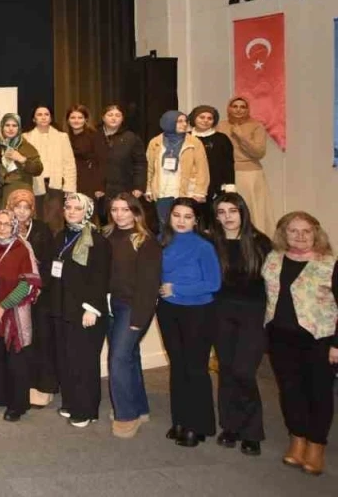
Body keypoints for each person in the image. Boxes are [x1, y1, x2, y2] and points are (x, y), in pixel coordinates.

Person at [263, 211, 337, 476]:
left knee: (319, 393)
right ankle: (297, 439)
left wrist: (337, 344)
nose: (300, 236)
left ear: (316, 233)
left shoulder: (330, 264)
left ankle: (316, 445)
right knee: (290, 391)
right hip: (281, 338)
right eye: (293, 230)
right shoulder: (273, 259)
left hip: (319, 340)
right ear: (284, 234)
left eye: (306, 231)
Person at [209, 193, 272, 455]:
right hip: (221, 313)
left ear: (242, 212)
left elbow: (273, 283)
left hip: (253, 314)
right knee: (226, 369)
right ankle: (230, 426)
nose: (227, 217)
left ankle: (252, 431)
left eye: (232, 211)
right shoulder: (212, 243)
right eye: (221, 212)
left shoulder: (261, 242)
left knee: (244, 371)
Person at [157, 198, 221, 447]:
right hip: (168, 310)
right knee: (178, 366)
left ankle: (198, 425)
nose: (181, 221)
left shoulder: (204, 246)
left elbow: (213, 283)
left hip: (198, 311)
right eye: (177, 215)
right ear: (169, 217)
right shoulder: (162, 242)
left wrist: (177, 289)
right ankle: (180, 420)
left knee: (195, 368)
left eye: (187, 216)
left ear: (196, 220)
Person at [101, 193, 162, 439]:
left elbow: (149, 285)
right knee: (130, 357)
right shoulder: (105, 236)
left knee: (117, 359)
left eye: (125, 209)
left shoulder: (146, 241)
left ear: (135, 212)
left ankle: (126, 415)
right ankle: (140, 408)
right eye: (115, 209)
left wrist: (139, 319)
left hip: (132, 308)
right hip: (109, 305)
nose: (119, 215)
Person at [53, 193, 111, 428]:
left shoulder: (97, 241)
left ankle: (86, 410)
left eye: (78, 208)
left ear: (87, 212)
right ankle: (70, 402)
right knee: (67, 359)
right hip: (64, 308)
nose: (71, 212)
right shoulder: (61, 236)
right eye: (68, 207)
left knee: (84, 361)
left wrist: (92, 309)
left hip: (86, 311)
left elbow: (101, 278)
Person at [0, 210, 41, 422]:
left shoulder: (21, 248)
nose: (2, 227)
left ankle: (17, 405)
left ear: (14, 226)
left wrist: (3, 306)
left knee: (16, 360)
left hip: (13, 312)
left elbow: (28, 284)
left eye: (7, 224)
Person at [6, 189, 58, 409]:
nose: (21, 211)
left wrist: (38, 287)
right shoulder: (4, 228)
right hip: (15, 297)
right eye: (17, 206)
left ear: (32, 210)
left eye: (26, 207)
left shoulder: (42, 229)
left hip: (39, 296)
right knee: (20, 343)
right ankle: (23, 387)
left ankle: (44, 388)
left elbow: (49, 262)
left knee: (42, 340)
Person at [216, 97, 275, 230]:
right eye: (235, 106)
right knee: (230, 208)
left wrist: (241, 136)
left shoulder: (256, 126)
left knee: (253, 210)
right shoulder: (221, 126)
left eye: (242, 107)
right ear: (229, 108)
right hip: (228, 173)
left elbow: (259, 152)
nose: (238, 110)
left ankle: (255, 238)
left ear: (247, 109)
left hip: (250, 174)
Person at [146, 111, 209, 229]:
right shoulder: (155, 142)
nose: (184, 124)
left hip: (186, 192)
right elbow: (150, 168)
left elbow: (202, 169)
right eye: (180, 121)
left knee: (184, 226)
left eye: (185, 121)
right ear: (169, 122)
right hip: (162, 191)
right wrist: (149, 189)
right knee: (164, 227)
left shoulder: (194, 142)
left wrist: (200, 192)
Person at [24, 105, 76, 232]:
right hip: (34, 185)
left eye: (46, 114)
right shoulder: (26, 137)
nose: (43, 117)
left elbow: (69, 164)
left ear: (51, 118)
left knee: (55, 222)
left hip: (56, 185)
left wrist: (70, 187)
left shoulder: (62, 137)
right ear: (34, 119)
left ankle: (56, 245)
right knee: (36, 221)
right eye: (39, 114)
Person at [188, 105, 236, 224]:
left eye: (209, 118)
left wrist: (229, 185)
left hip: (214, 186)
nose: (205, 120)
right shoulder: (186, 138)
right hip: (190, 186)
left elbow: (228, 164)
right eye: (202, 117)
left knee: (212, 221)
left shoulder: (221, 139)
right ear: (194, 118)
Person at [100, 104, 147, 223]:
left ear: (122, 118)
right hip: (100, 189)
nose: (114, 118)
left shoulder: (131, 137)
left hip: (124, 187)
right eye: (110, 115)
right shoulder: (95, 136)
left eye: (117, 115)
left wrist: (139, 186)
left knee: (122, 220)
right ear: (103, 117)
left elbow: (140, 163)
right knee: (102, 222)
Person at [0, 113, 43, 206]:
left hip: (21, 193)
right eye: (7, 125)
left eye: (14, 125)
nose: (10, 129)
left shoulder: (26, 146)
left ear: (19, 128)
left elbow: (38, 169)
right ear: (2, 127)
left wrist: (22, 159)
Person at [66, 105, 107, 215]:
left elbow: (101, 162)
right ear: (68, 120)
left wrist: (100, 186)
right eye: (73, 117)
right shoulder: (64, 137)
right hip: (69, 181)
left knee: (86, 213)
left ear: (86, 119)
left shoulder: (95, 136)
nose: (76, 121)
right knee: (70, 214)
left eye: (80, 118)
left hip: (89, 180)